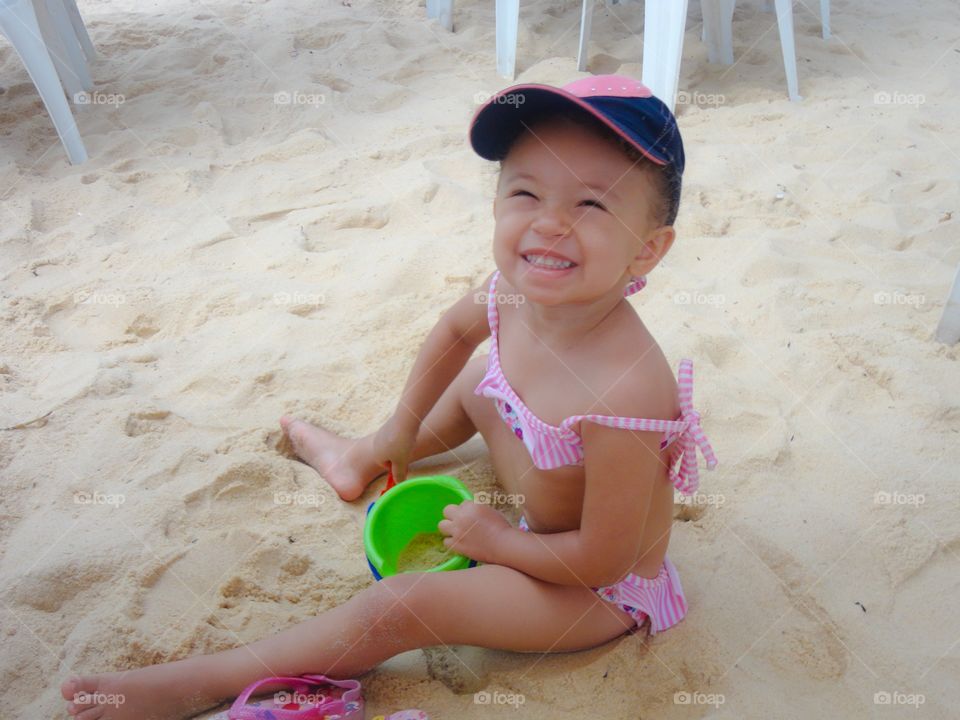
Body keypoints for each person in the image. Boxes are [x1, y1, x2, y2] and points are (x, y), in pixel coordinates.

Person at [62, 74, 716, 720]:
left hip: (591, 590)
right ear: (495, 205)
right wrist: (400, 429)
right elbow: (455, 332)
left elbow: (604, 556)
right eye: (526, 191)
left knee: (401, 607)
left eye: (592, 205)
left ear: (648, 250)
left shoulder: (627, 388)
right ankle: (361, 456)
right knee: (480, 380)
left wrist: (497, 541)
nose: (549, 224)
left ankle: (200, 681)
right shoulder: (516, 292)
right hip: (542, 507)